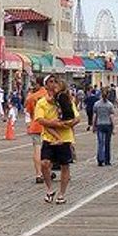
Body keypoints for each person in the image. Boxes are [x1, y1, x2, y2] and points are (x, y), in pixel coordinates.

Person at [35, 76, 80, 204]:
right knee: (44, 163)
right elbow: (40, 120)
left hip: (65, 137)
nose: (54, 84)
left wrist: (67, 124)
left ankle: (61, 194)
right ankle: (49, 189)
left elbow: (76, 117)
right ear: (46, 85)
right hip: (48, 138)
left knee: (64, 165)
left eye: (56, 82)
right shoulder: (42, 102)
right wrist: (53, 123)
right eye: (51, 82)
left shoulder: (65, 99)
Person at [24, 81, 50, 184]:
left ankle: (38, 174)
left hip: (35, 126)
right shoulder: (49, 95)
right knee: (48, 151)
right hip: (48, 126)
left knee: (37, 151)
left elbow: (29, 112)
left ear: (38, 85)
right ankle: (47, 171)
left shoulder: (32, 97)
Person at [93, 90, 115, 166]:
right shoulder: (110, 105)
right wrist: (113, 127)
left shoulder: (97, 104)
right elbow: (111, 117)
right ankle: (107, 160)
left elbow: (95, 116)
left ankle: (100, 159)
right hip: (108, 125)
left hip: (99, 124)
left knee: (100, 143)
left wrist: (93, 126)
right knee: (107, 143)